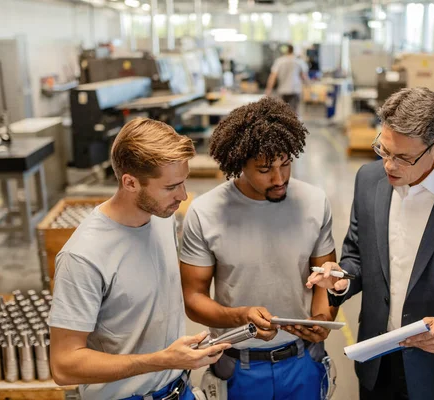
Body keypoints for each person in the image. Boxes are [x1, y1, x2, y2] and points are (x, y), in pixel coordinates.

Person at [307, 88, 434, 400]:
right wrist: (340, 279)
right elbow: (357, 254)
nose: (389, 166)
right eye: (384, 150)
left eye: (403, 158)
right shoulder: (368, 180)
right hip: (376, 362)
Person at [49, 118, 231, 400]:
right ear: (130, 182)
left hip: (178, 389)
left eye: (183, 183)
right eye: (171, 187)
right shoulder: (84, 256)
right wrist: (163, 359)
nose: (182, 196)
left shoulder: (162, 220)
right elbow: (64, 366)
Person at [180, 97, 337, 400]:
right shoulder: (205, 212)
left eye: (286, 164)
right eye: (265, 169)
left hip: (303, 362)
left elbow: (325, 278)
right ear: (239, 164)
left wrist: (322, 317)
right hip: (239, 367)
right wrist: (241, 316)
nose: (279, 179)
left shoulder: (315, 202)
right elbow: (193, 299)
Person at [265, 44, 309, 113]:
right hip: (295, 90)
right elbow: (304, 76)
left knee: (282, 113)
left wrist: (268, 89)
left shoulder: (279, 61)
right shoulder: (299, 61)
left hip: (283, 90)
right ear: (293, 50)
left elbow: (273, 76)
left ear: (286, 51)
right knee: (294, 113)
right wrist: (308, 86)